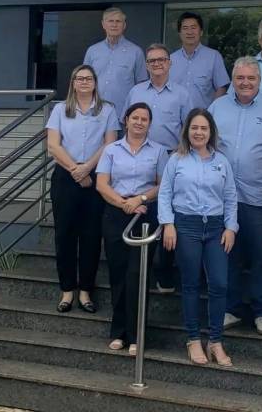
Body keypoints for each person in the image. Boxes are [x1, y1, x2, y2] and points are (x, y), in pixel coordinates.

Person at [208, 56, 262, 335]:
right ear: (233, 80)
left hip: (260, 196)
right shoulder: (217, 107)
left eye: (251, 78)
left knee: (261, 257)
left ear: (260, 80)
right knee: (226, 254)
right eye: (240, 78)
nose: (245, 82)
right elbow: (204, 146)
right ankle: (230, 309)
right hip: (221, 198)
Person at [158, 109, 238, 367]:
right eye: (194, 128)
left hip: (216, 228)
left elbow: (230, 196)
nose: (199, 132)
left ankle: (215, 341)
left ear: (210, 132)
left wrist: (231, 227)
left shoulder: (221, 161)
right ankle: (193, 339)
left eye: (204, 128)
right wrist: (168, 224)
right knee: (191, 284)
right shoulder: (176, 159)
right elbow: (165, 193)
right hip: (186, 226)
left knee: (219, 284)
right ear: (187, 131)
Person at [96, 102, 168, 355]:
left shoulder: (159, 151)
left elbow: (162, 185)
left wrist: (140, 200)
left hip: (144, 215)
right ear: (126, 120)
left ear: (150, 124)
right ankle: (118, 332)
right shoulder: (111, 150)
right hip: (115, 214)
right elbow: (102, 184)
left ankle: (137, 335)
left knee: (138, 275)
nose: (139, 122)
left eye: (144, 119)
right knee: (117, 274)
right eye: (135, 117)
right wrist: (123, 203)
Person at [46, 64, 118, 313]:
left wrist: (86, 169)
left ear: (95, 83)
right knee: (64, 235)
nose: (84, 82)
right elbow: (53, 146)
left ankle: (86, 291)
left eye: (88, 78)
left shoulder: (107, 110)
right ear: (73, 83)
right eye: (80, 78)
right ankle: (67, 291)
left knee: (91, 236)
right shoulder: (60, 109)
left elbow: (110, 144)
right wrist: (76, 170)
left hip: (95, 177)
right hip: (65, 177)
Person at [124, 43, 192, 293]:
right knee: (146, 212)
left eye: (161, 60)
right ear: (146, 65)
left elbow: (189, 129)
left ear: (169, 63)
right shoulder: (136, 91)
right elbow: (126, 124)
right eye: (152, 61)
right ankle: (141, 270)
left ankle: (165, 272)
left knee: (168, 214)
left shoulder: (182, 94)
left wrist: (180, 158)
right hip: (140, 159)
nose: (157, 64)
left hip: (172, 159)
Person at [84, 7, 148, 119]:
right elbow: (84, 81)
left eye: (118, 21)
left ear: (124, 25)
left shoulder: (136, 52)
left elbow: (141, 87)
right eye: (110, 21)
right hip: (94, 114)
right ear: (103, 24)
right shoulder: (92, 51)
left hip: (123, 115)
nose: (114, 25)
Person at [170, 12, 230, 108]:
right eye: (185, 28)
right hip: (176, 116)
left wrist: (211, 112)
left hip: (204, 116)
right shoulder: (170, 60)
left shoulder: (213, 57)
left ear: (201, 32)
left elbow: (221, 88)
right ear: (180, 33)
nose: (189, 32)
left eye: (193, 27)